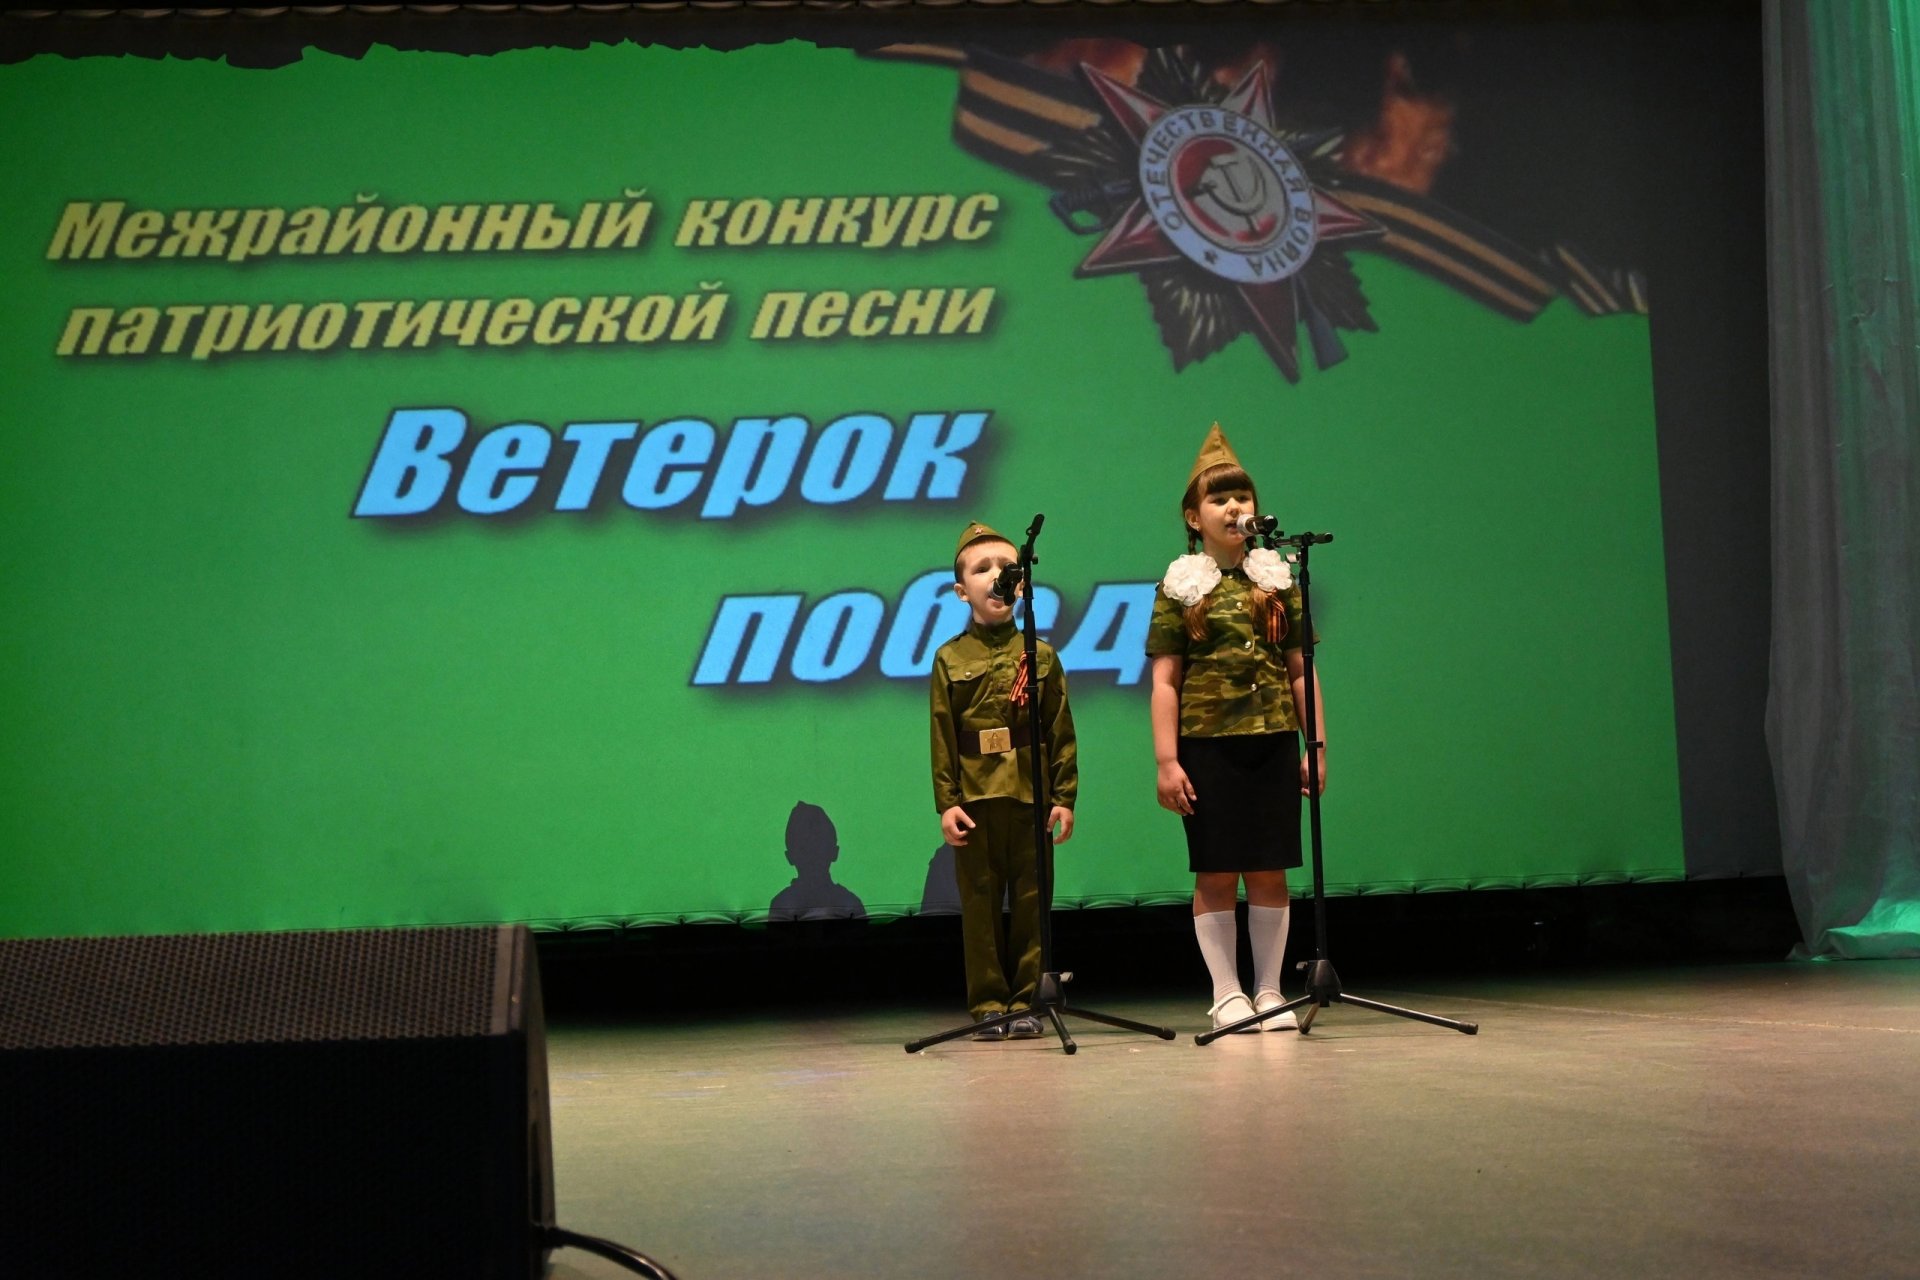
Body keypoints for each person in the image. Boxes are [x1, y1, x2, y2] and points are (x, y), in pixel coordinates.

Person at [1145, 425, 1327, 1034]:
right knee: (1217, 870)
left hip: (1272, 741)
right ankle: (1226, 994)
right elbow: (1166, 681)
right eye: (1219, 499)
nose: (1233, 508)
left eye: (1241, 497)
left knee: (1271, 869)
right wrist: (1167, 762)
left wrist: (1315, 744)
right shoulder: (1179, 588)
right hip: (1206, 747)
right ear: (1193, 517)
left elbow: (1300, 669)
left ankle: (1270, 991)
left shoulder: (1278, 579)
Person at [929, 521, 1078, 1040]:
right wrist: (947, 802)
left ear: (1022, 582)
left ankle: (1028, 1002)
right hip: (975, 797)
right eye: (981, 569)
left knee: (1034, 902)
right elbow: (942, 734)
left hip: (1030, 795)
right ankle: (990, 1004)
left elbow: (1060, 730)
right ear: (961, 590)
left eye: (1006, 568)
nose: (996, 576)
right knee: (981, 903)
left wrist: (1064, 796)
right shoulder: (950, 658)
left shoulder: (1041, 655)